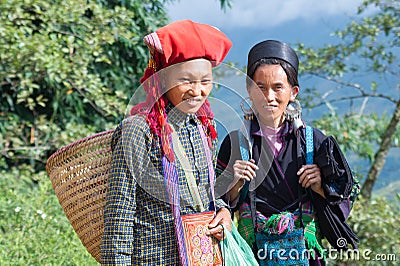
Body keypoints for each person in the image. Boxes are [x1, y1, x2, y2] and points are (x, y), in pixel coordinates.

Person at [101, 20, 232, 265]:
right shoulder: (138, 131)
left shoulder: (203, 128)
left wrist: (224, 212)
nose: (197, 91)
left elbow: (208, 191)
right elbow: (119, 218)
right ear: (162, 79)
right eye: (187, 80)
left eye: (205, 81)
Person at [216, 40, 358, 265]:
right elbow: (214, 202)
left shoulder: (314, 142)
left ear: (293, 92)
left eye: (278, 87)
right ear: (249, 89)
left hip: (306, 257)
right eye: (260, 87)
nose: (269, 96)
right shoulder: (235, 143)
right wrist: (234, 185)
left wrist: (321, 186)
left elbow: (347, 192)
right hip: (254, 256)